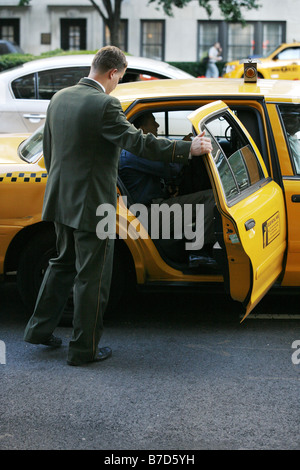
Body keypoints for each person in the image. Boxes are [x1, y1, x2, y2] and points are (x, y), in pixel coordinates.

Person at [23, 46, 213, 367]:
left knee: (61, 264)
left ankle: (39, 331)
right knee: (92, 278)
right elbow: (138, 143)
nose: (117, 85)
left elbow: (51, 152)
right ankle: (84, 350)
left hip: (60, 200)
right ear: (113, 72)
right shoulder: (105, 104)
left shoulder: (60, 98)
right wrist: (187, 148)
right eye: (119, 78)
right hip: (92, 207)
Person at [119, 112, 216, 250]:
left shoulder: (133, 151)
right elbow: (172, 168)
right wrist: (187, 147)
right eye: (153, 122)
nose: (158, 125)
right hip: (148, 215)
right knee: (211, 198)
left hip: (149, 208)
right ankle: (200, 251)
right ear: (142, 130)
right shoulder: (136, 153)